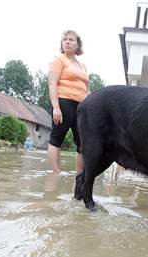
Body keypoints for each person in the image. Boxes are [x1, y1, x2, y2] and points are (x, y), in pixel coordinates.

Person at [47, 30, 88, 178]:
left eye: (71, 39)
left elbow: (86, 89)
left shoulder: (83, 66)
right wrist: (56, 107)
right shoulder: (58, 60)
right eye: (64, 39)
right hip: (63, 102)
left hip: (82, 107)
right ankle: (56, 173)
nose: (67, 42)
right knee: (56, 137)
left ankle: (79, 177)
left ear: (78, 45)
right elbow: (52, 84)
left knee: (82, 143)